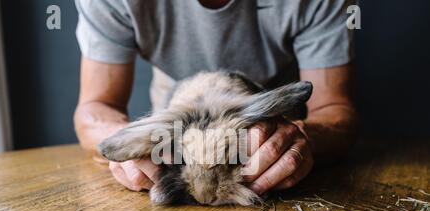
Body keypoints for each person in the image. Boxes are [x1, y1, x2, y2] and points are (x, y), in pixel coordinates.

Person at [74, 0, 358, 196]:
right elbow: (97, 107)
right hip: (175, 146)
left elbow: (332, 108)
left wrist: (299, 140)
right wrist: (130, 146)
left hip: (266, 133)